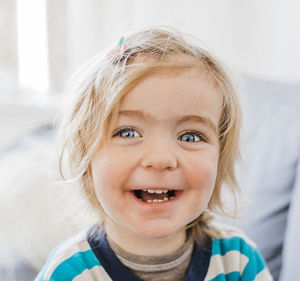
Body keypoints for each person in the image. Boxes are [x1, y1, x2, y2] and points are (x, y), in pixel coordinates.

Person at [35, 27, 273, 281]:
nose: (160, 159)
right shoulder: (68, 273)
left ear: (219, 158)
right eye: (127, 133)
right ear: (87, 160)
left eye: (190, 136)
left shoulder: (238, 260)